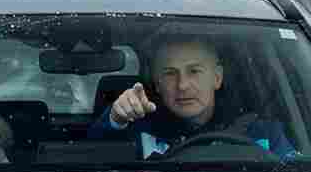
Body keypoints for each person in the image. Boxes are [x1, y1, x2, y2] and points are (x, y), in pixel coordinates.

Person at [89, 34, 295, 158]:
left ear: (217, 78)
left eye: (194, 71)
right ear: (157, 84)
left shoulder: (264, 135)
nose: (182, 85)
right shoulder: (138, 132)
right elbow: (92, 159)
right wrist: (116, 118)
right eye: (170, 73)